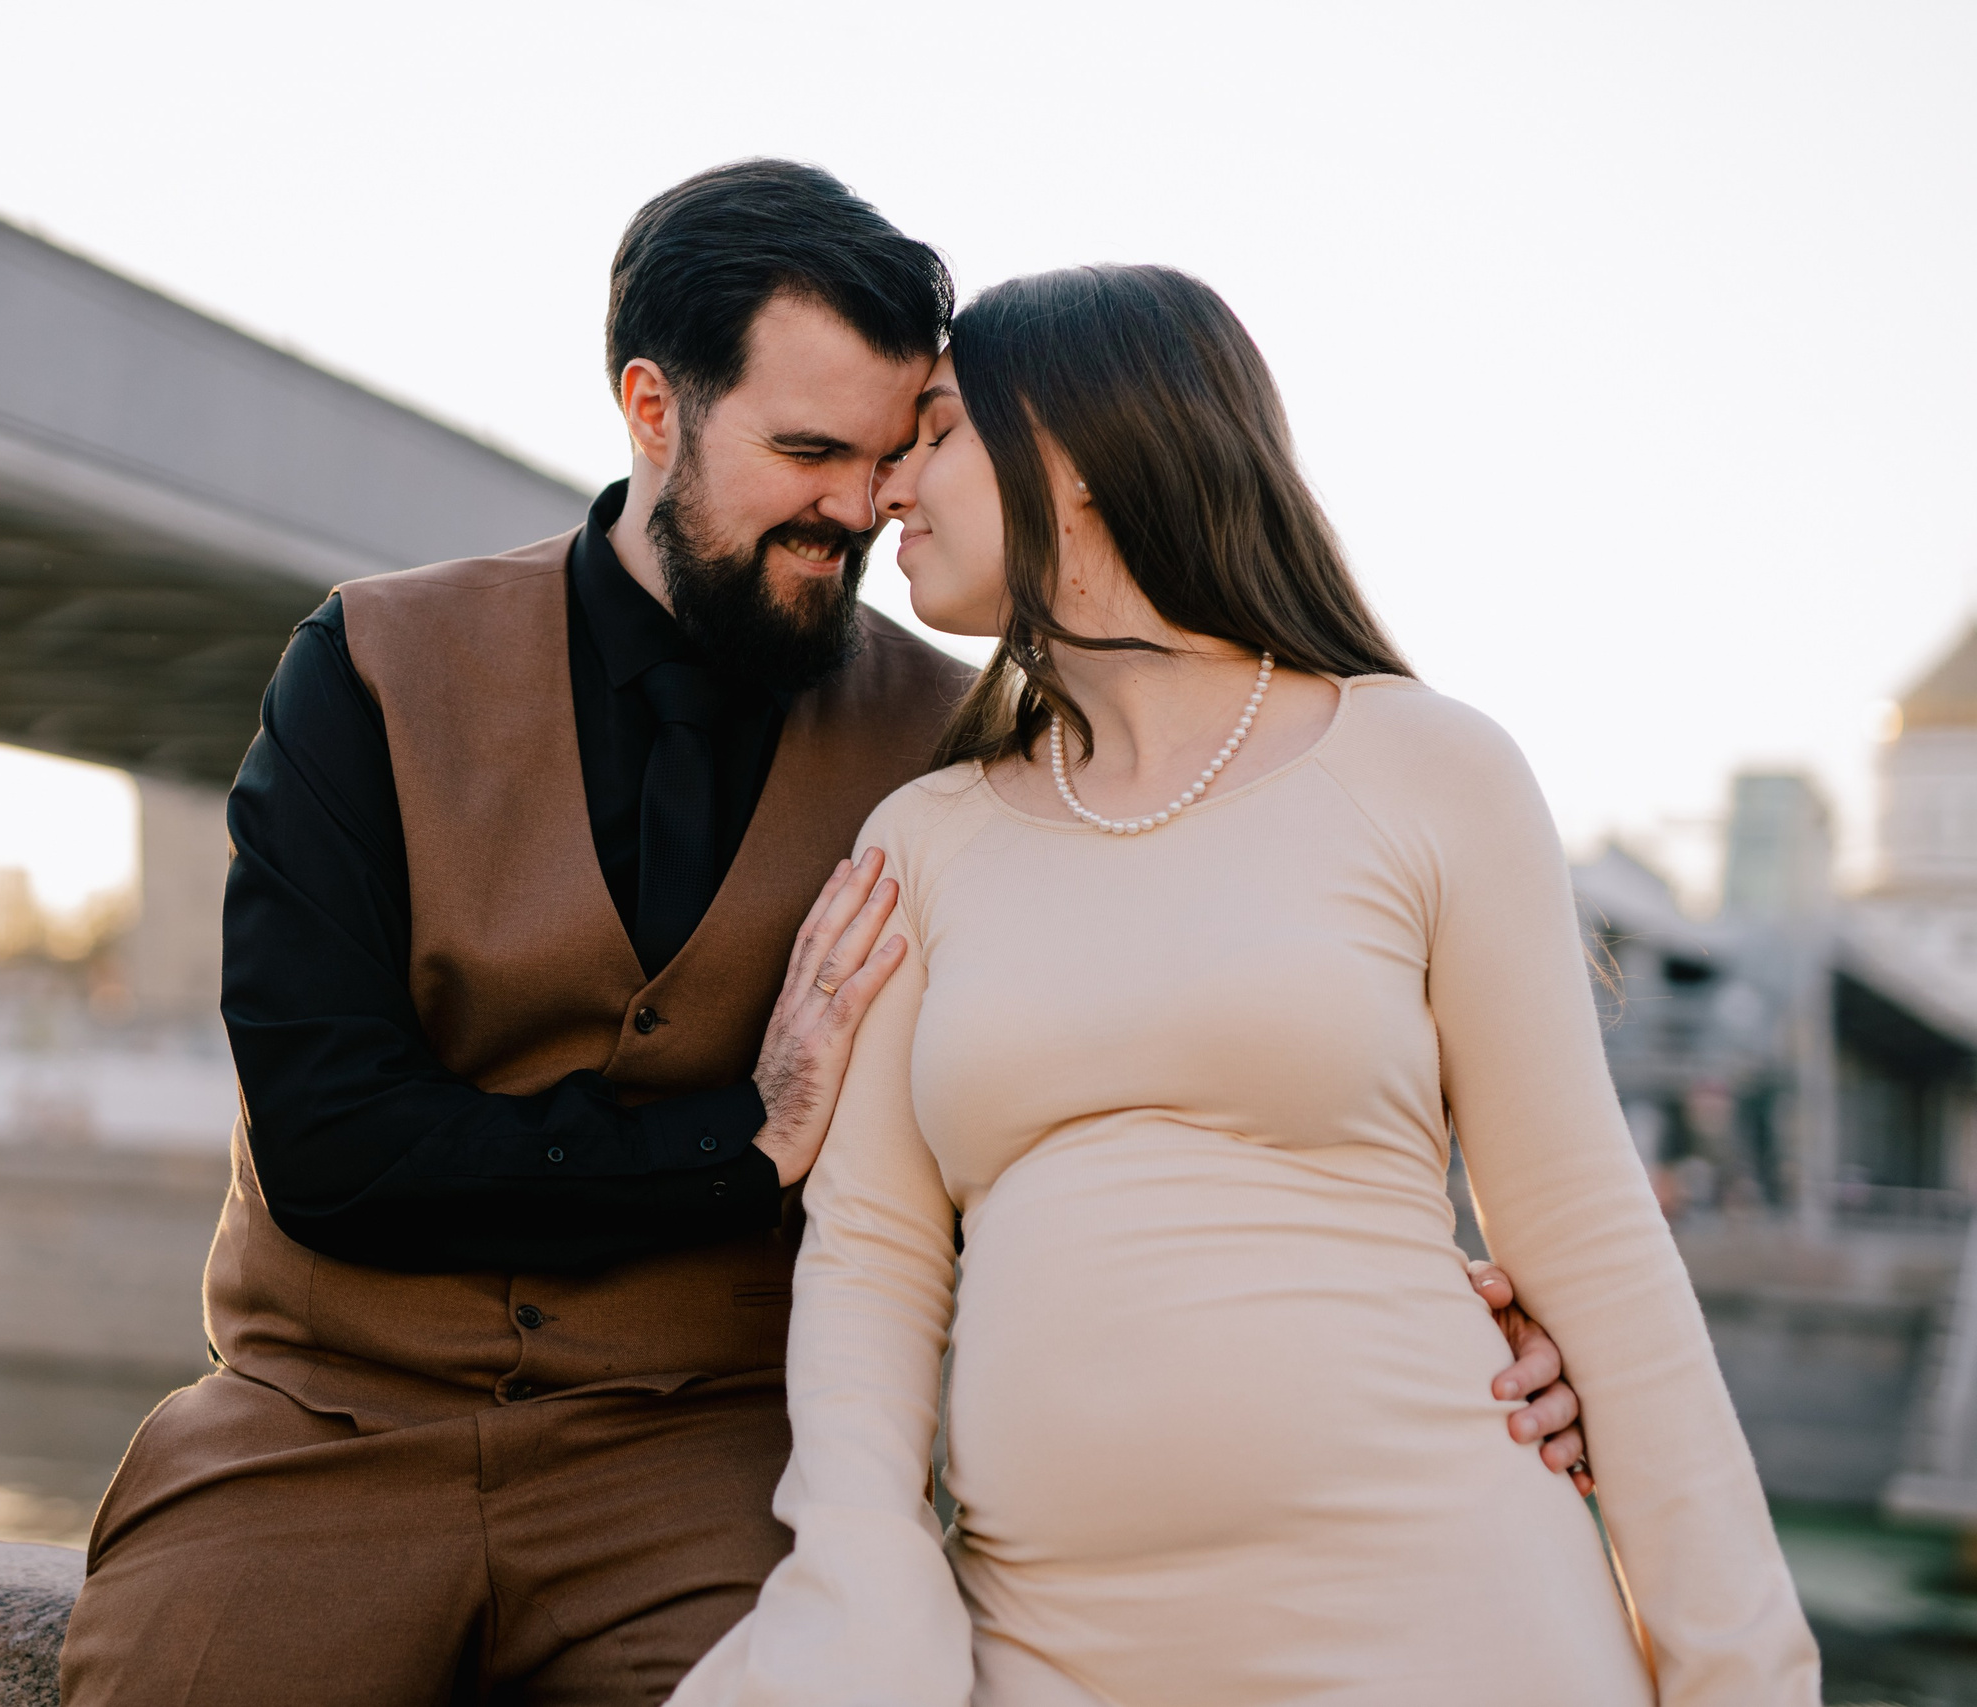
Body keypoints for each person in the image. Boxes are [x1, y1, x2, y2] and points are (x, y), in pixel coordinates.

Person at [60, 166, 1592, 1706]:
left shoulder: (964, 751)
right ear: (652, 409)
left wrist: (1428, 1306)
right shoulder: (369, 668)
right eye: (806, 452)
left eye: (888, 454)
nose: (860, 508)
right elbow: (333, 1149)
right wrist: (748, 1140)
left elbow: (1126, 1074)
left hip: (707, 1460)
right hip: (325, 1425)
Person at [667, 265, 1818, 1706]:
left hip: (1444, 1610)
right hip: (1051, 1644)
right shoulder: (925, 840)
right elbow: (875, 1261)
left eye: (939, 432)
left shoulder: (1428, 769)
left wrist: (1744, 1679)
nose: (891, 487)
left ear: (1077, 460)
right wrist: (861, 1575)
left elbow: (1589, 1236)